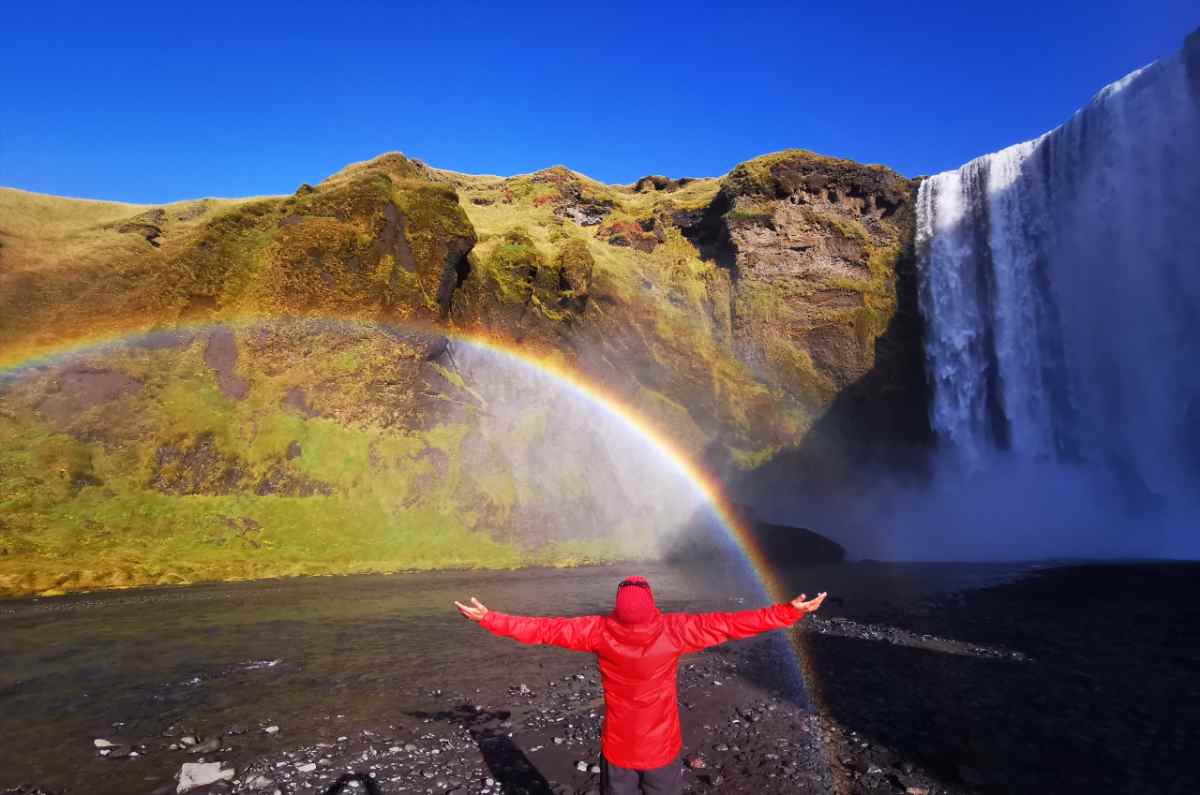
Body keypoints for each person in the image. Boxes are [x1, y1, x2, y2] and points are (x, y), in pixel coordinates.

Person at [455, 576, 827, 795]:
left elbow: (542, 630)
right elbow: (729, 624)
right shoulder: (675, 631)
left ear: (618, 607)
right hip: (661, 748)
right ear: (652, 606)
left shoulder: (597, 632)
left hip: (618, 747)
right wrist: (787, 612)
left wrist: (491, 618)